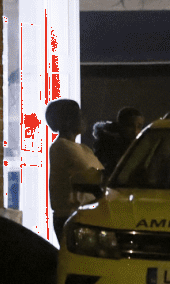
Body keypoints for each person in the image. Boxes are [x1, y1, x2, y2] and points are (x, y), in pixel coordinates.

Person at [46, 98, 104, 231]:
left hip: (88, 215)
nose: (84, 119)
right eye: (79, 115)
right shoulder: (61, 146)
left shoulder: (84, 148)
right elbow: (89, 175)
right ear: (68, 120)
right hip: (71, 217)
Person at [91, 107, 145, 177]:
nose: (135, 131)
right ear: (120, 126)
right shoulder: (106, 147)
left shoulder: (141, 146)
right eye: (130, 125)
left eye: (139, 126)